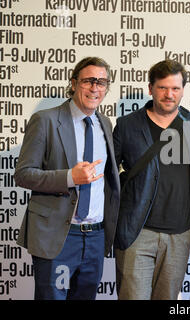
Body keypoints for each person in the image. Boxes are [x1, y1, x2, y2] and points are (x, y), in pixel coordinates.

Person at [14, 57, 120, 300]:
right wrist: (69, 177)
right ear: (73, 83)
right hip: (59, 238)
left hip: (94, 237)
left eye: (102, 82)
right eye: (89, 81)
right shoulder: (46, 120)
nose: (95, 88)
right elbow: (23, 174)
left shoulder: (105, 123)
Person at [113, 60, 190, 300]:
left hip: (179, 234)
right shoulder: (127, 125)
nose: (169, 94)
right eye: (163, 87)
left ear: (183, 90)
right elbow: (109, 177)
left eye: (175, 88)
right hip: (137, 232)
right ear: (151, 88)